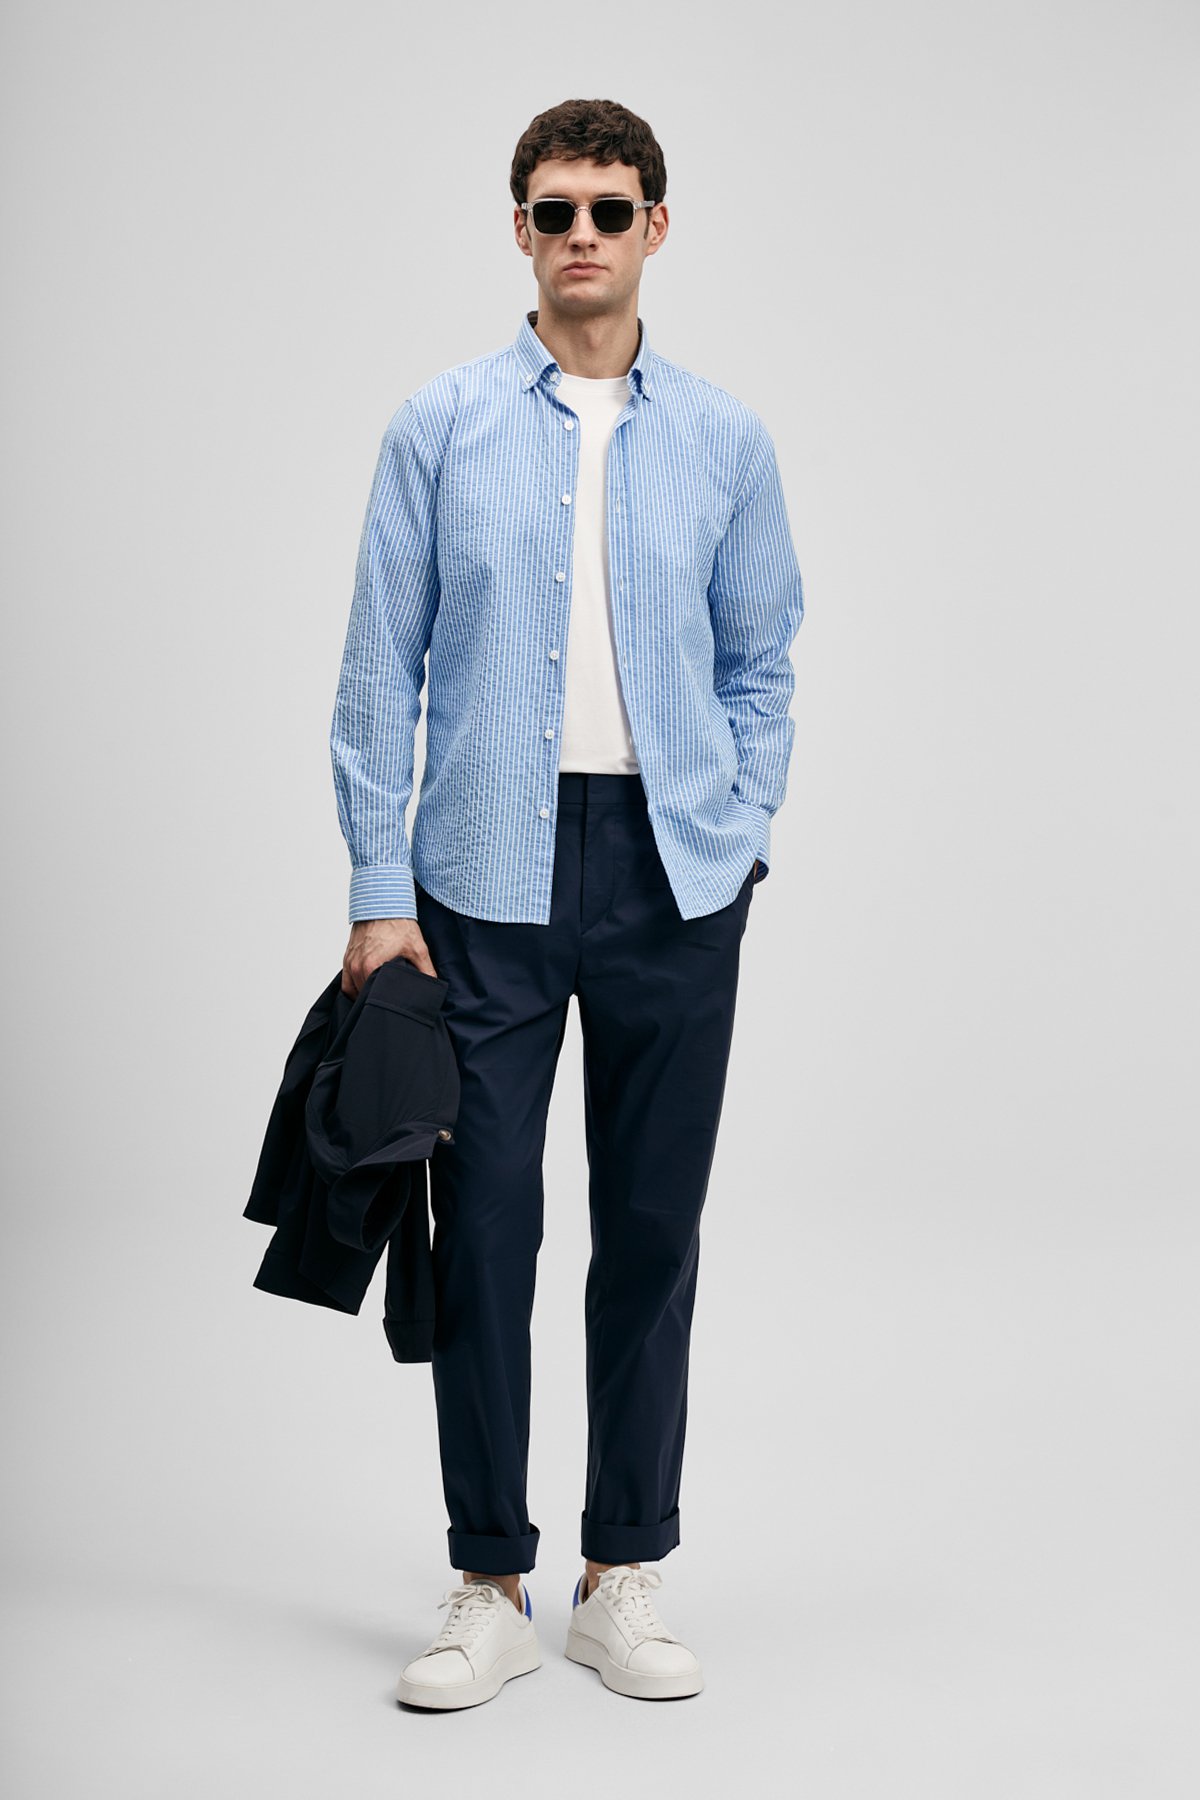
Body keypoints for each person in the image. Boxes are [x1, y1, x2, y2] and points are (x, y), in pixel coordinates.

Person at [330, 97, 805, 1709]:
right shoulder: (441, 424)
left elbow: (764, 657)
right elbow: (374, 670)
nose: (582, 234)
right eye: (555, 210)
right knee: (484, 1229)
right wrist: (377, 890)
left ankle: (621, 1574)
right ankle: (488, 1580)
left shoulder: (725, 440)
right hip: (482, 877)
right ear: (521, 230)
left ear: (656, 227)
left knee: (653, 1230)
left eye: (610, 208)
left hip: (674, 871)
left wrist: (737, 829)